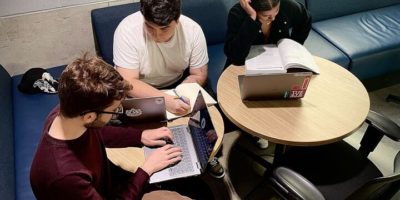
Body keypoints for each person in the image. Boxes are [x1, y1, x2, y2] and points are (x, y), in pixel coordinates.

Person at [30, 54, 189, 200]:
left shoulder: (67, 112)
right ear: (90, 116)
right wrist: (146, 170)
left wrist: (140, 136)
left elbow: (97, 131)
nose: (115, 114)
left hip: (108, 184)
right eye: (114, 110)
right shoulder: (65, 176)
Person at [113, 0, 224, 178]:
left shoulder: (192, 30)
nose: (156, 36)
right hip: (139, 89)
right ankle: (145, 169)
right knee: (122, 120)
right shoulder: (127, 30)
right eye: (150, 27)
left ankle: (206, 154)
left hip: (179, 83)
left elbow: (198, 74)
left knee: (205, 112)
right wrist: (164, 100)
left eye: (164, 29)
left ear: (177, 19)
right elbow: (128, 81)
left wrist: (179, 95)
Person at [224, 0, 312, 148]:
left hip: (277, 63)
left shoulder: (288, 5)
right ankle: (254, 129)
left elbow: (306, 19)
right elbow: (235, 56)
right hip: (244, 65)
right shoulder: (238, 13)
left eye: (276, 12)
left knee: (289, 93)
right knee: (250, 98)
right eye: (266, 16)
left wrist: (293, 47)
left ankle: (278, 127)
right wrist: (251, 19)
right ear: (253, 8)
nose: (273, 18)